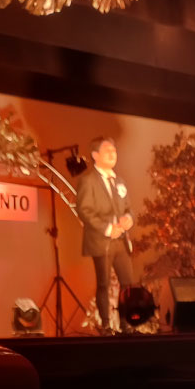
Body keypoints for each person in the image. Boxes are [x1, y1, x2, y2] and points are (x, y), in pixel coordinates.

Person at [76, 135, 134, 330]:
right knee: (104, 283)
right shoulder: (88, 181)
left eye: (114, 150)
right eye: (107, 150)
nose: (112, 153)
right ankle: (106, 325)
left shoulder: (119, 181)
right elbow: (84, 211)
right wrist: (109, 229)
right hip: (102, 241)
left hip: (121, 241)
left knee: (127, 283)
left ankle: (126, 323)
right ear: (95, 155)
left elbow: (128, 208)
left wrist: (128, 219)